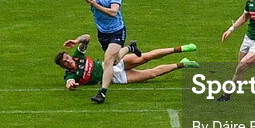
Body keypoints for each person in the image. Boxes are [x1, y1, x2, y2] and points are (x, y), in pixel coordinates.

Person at [56, 34, 198, 90]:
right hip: (115, 78)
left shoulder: (78, 56)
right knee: (151, 74)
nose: (68, 62)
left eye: (67, 58)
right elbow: (68, 83)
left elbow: (87, 37)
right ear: (63, 66)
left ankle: (181, 49)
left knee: (146, 57)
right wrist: (71, 85)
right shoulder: (70, 75)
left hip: (113, 64)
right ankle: (183, 64)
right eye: (65, 63)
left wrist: (76, 41)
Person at [76, 0, 129, 104]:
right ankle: (130, 48)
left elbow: (113, 12)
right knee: (116, 60)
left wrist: (95, 5)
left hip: (117, 31)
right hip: (103, 33)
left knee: (108, 61)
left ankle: (102, 93)